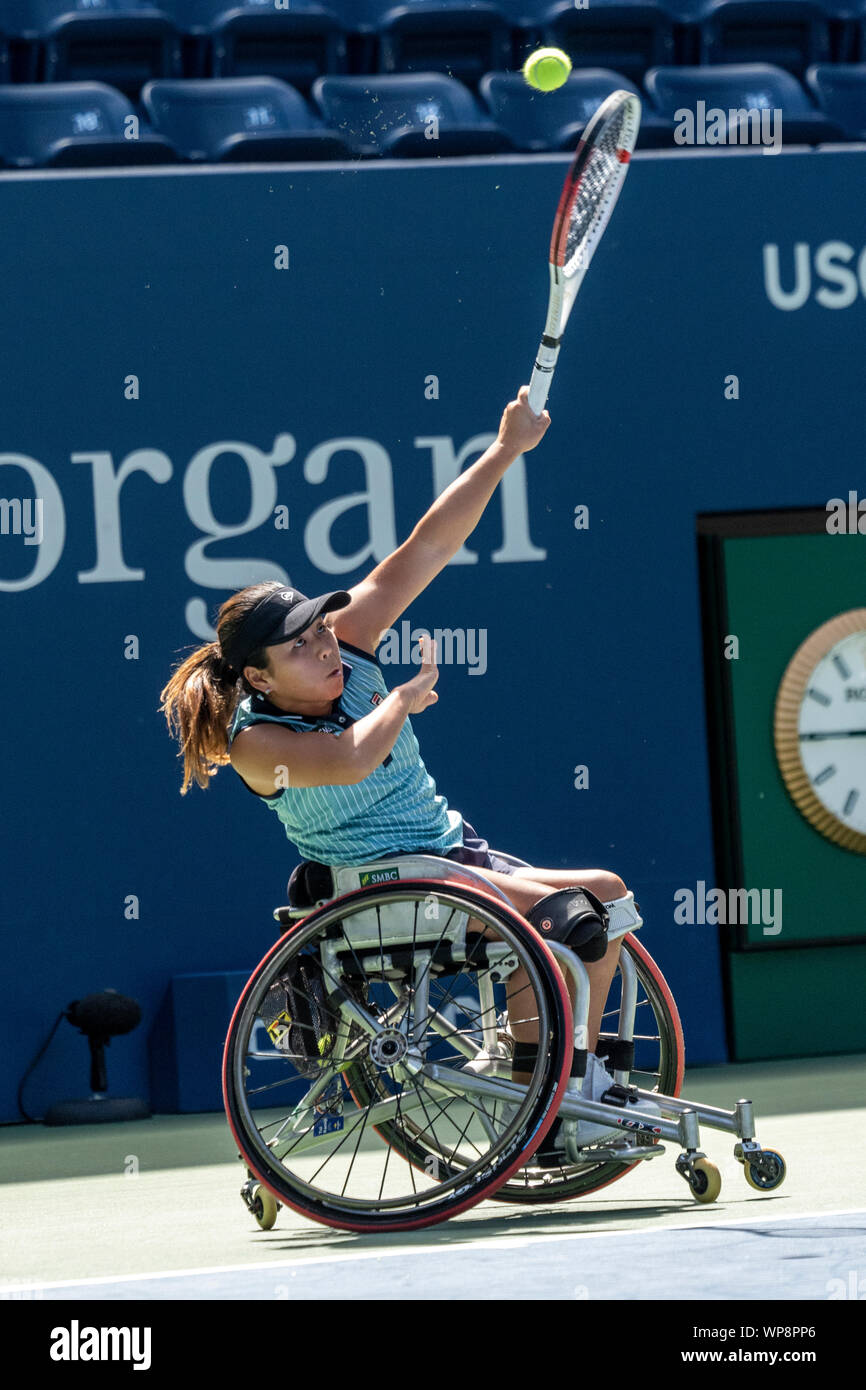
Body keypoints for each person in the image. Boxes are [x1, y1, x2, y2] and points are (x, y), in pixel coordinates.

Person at [160, 385, 655, 1160]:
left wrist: (504, 451)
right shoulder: (256, 742)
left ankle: (565, 1075)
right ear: (258, 678)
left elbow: (426, 546)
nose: (326, 648)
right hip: (378, 891)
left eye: (321, 630)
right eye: (301, 648)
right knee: (567, 920)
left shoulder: (348, 641)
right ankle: (554, 1105)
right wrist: (401, 700)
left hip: (450, 856)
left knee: (610, 892)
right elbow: (352, 756)